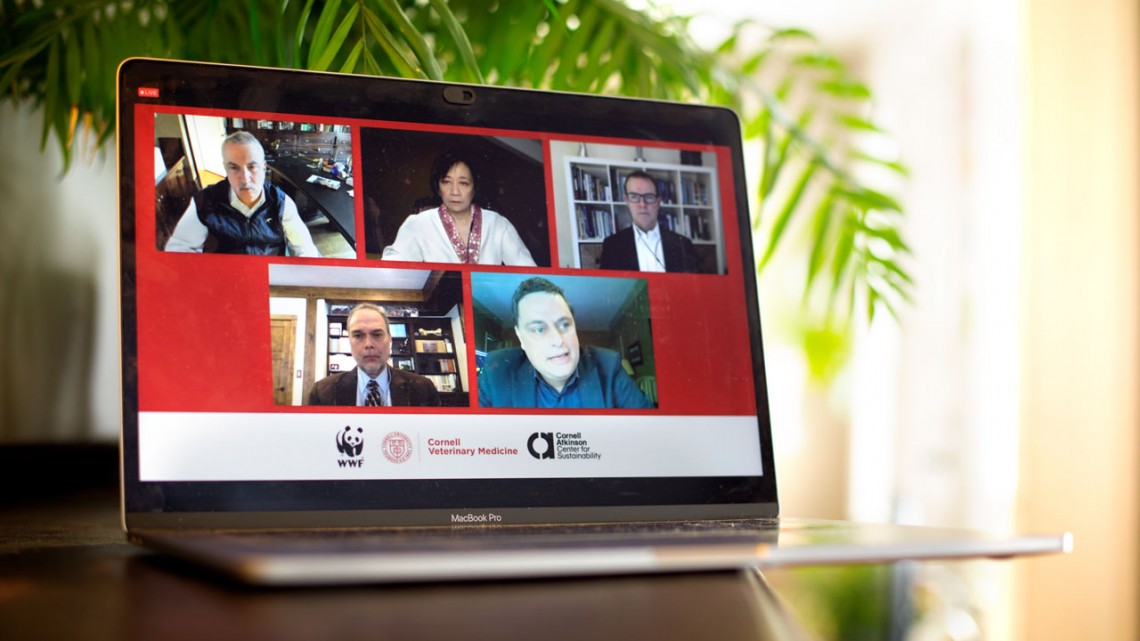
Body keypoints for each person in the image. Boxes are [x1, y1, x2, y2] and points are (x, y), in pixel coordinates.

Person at [478, 277, 652, 409]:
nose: (558, 340)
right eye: (539, 329)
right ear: (521, 337)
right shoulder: (495, 373)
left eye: (564, 325)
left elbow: (650, 430)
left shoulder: (608, 366)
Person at [165, 131, 320, 256]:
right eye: (234, 168)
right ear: (225, 169)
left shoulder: (281, 203)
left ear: (264, 168)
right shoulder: (205, 202)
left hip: (269, 280)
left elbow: (305, 249)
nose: (245, 178)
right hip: (224, 280)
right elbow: (178, 251)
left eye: (252, 167)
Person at [382, 151, 536, 265]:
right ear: (438, 186)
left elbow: (527, 272)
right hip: (440, 307)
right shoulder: (419, 223)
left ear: (474, 187)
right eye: (446, 182)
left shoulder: (497, 224)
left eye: (463, 183)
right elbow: (393, 267)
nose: (454, 192)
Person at [308, 303, 440, 406]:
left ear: (390, 339)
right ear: (349, 342)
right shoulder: (322, 392)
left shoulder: (423, 389)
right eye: (358, 335)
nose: (368, 344)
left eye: (377, 334)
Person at [598, 170, 699, 273]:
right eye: (634, 197)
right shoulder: (612, 246)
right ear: (627, 201)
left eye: (649, 197)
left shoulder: (683, 245)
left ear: (658, 202)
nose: (642, 204)